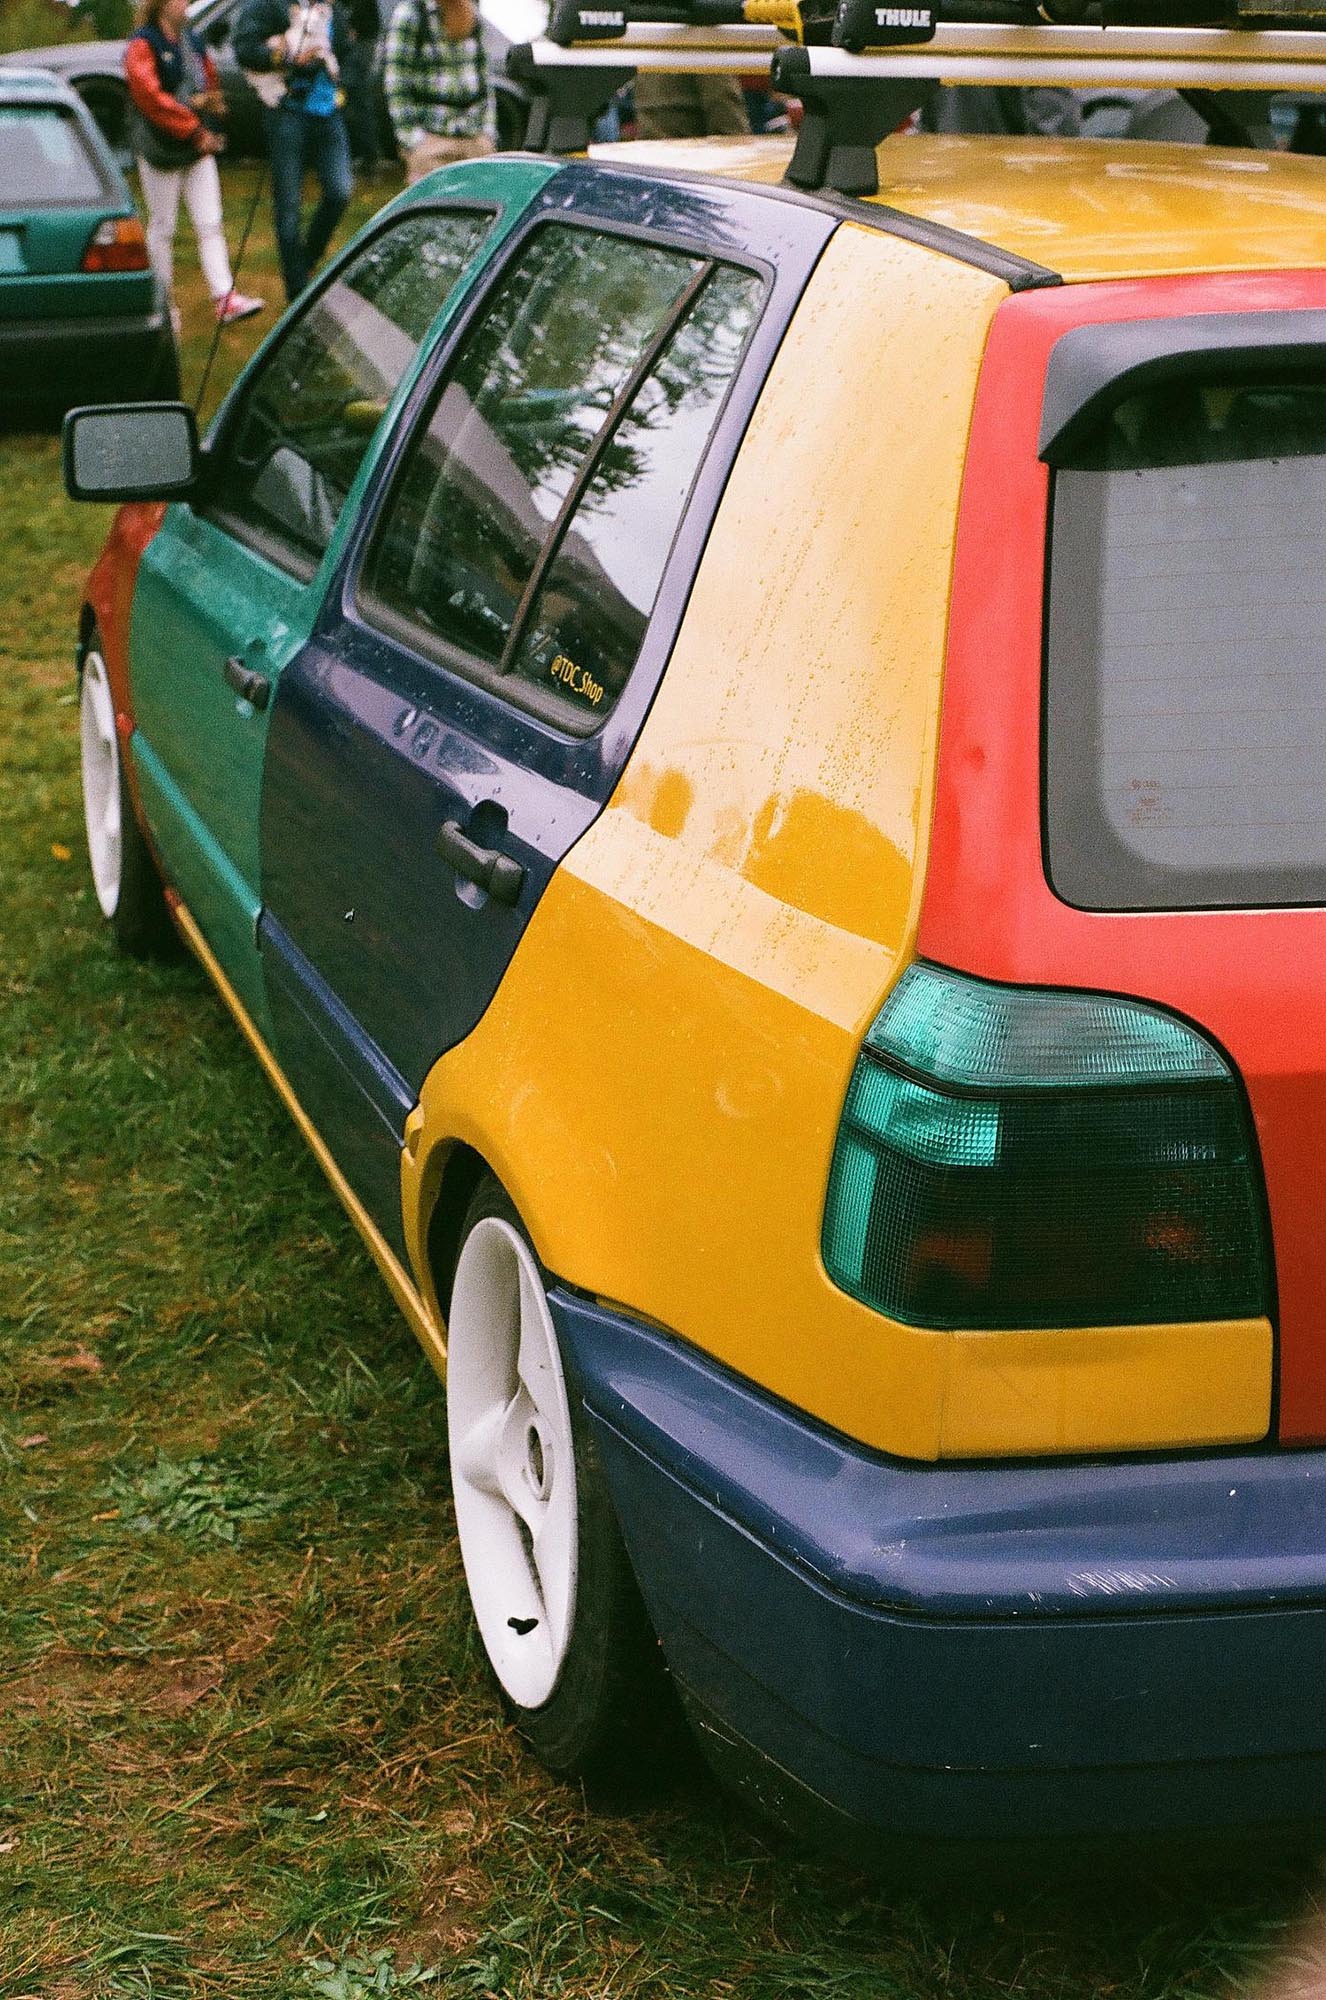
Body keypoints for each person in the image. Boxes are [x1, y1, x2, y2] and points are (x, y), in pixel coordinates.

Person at [124, 0, 265, 327]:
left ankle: (225, 298)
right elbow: (150, 98)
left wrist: (214, 110)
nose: (186, 4)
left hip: (196, 146)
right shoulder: (142, 45)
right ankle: (161, 305)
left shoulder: (192, 41)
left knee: (210, 222)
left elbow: (209, 82)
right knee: (163, 227)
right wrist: (193, 128)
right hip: (161, 150)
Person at [235, 0, 355, 301]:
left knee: (340, 191)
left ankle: (306, 262)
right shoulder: (266, 5)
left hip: (329, 112)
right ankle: (297, 291)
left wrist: (344, 83)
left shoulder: (330, 6)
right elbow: (244, 48)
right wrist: (286, 56)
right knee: (288, 208)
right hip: (287, 112)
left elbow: (346, 48)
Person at [382, 0, 494, 186]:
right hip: (432, 142)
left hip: (474, 140)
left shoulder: (471, 13)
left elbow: (485, 81)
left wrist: (488, 134)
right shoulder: (411, 14)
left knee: (480, 209)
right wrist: (414, 142)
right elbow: (396, 84)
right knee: (434, 211)